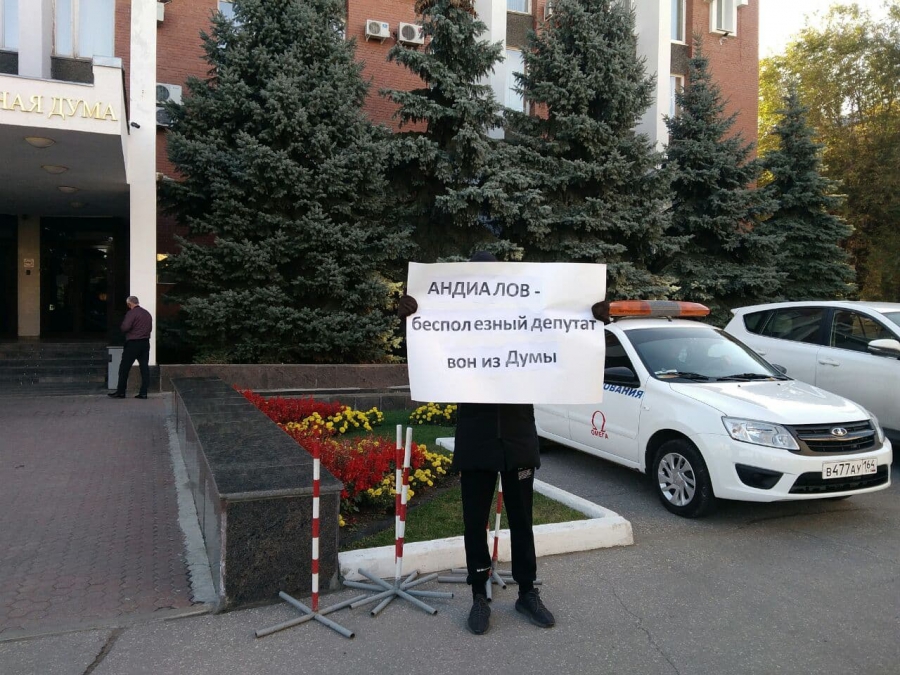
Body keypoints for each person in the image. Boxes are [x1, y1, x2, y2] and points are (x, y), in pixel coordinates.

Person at [399, 253, 609, 635]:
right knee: (474, 522)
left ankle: (527, 592)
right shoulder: (461, 325)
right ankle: (479, 595)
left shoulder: (525, 323)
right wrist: (412, 317)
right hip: (476, 438)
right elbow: (429, 345)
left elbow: (563, 337)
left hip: (517, 437)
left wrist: (591, 318)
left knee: (523, 521)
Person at [109, 296, 152, 399]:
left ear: (129, 304)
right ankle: (143, 392)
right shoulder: (147, 313)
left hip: (133, 343)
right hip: (145, 343)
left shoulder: (131, 313)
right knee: (144, 368)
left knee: (124, 368)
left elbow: (125, 327)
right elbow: (149, 328)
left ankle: (121, 392)